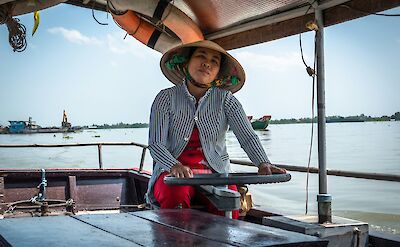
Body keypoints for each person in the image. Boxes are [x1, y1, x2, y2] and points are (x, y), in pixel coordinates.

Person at [146, 40, 286, 219]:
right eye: (201, 56)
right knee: (176, 195)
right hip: (172, 174)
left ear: (218, 73)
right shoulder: (165, 98)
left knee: (230, 201)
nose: (207, 64)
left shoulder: (226, 100)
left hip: (216, 174)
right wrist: (174, 166)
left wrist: (263, 162)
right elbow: (156, 144)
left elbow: (248, 137)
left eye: (214, 61)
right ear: (186, 63)